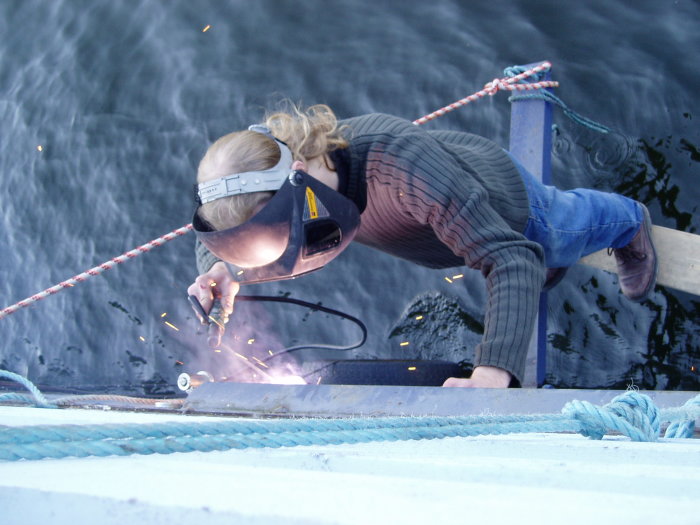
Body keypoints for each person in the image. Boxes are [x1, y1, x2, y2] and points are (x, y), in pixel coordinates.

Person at [187, 104, 657, 388]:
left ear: (302, 177)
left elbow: (510, 260)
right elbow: (229, 227)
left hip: (509, 203)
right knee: (521, 255)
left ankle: (630, 223)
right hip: (442, 220)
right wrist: (219, 267)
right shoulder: (281, 187)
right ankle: (550, 264)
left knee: (559, 233)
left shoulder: (400, 164)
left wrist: (492, 374)